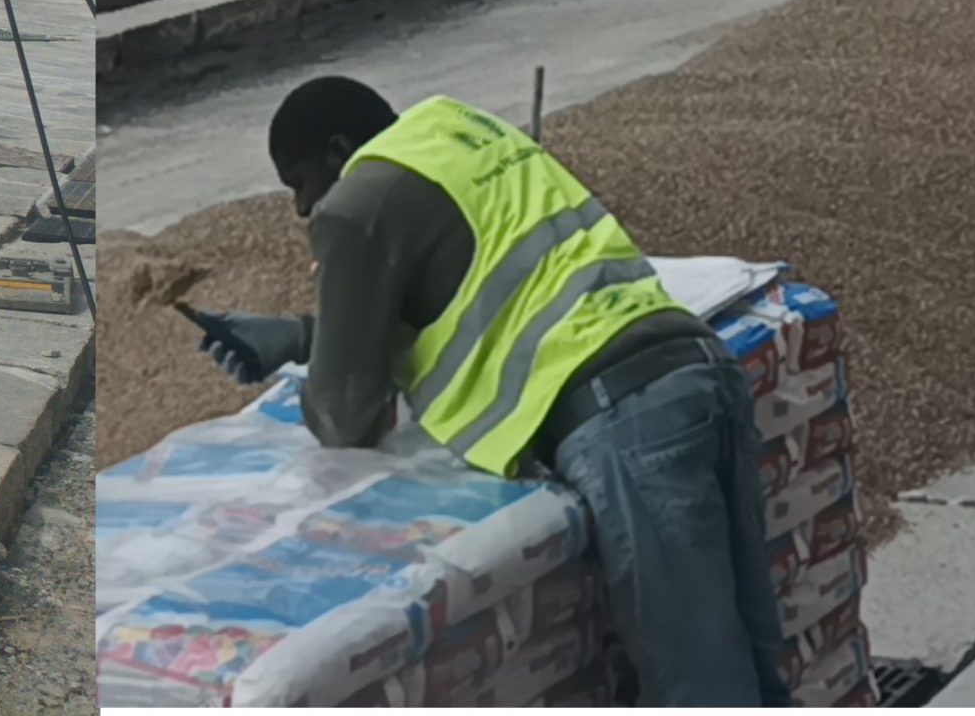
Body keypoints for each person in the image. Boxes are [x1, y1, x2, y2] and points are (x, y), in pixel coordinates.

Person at [189, 77, 789, 707]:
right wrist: (304, 336)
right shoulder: (460, 132)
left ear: (339, 151)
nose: (301, 209)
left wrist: (326, 359)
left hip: (625, 417)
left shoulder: (356, 202)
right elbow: (484, 292)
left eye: (299, 183)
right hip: (695, 369)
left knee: (698, 685)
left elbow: (345, 416)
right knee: (749, 665)